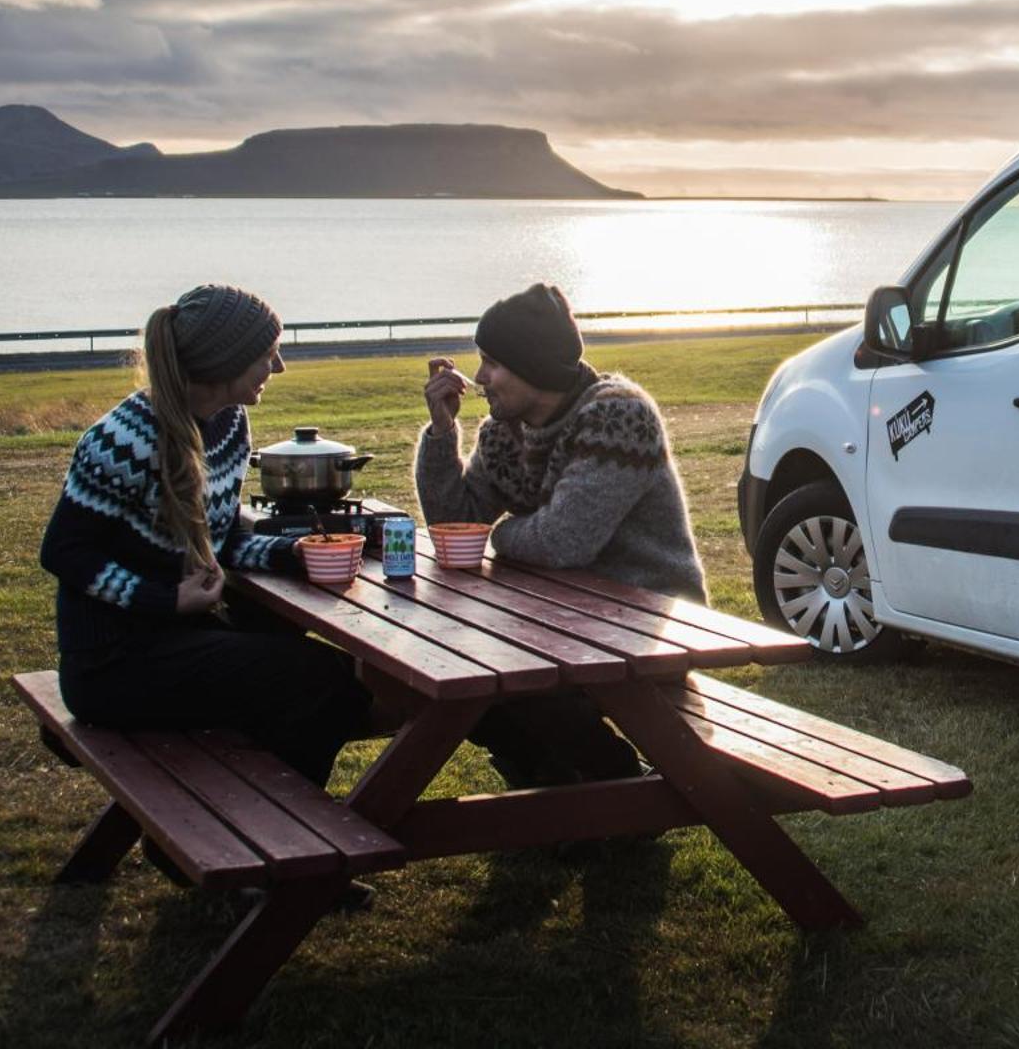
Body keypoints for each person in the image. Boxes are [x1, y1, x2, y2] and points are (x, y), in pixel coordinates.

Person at [39, 284, 370, 793]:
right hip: (113, 665)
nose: (278, 367)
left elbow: (220, 537)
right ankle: (276, 851)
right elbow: (65, 551)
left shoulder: (229, 423)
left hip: (181, 638)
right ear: (225, 361)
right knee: (318, 678)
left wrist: (289, 552)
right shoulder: (122, 441)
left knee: (305, 661)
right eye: (267, 355)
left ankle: (252, 837)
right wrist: (164, 598)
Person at [415, 281, 707, 787]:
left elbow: (562, 543)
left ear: (533, 366)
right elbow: (454, 527)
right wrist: (442, 434)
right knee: (460, 673)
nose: (479, 377)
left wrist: (501, 535)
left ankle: (609, 786)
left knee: (496, 676)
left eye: (492, 362)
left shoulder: (617, 415)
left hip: (646, 616)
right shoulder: (504, 430)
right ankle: (566, 789)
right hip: (562, 618)